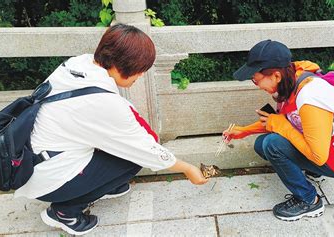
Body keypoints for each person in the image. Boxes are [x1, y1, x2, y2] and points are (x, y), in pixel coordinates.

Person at [13, 24, 208, 235]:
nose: (140, 76)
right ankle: (65, 212)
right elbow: (145, 149)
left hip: (31, 158)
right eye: (139, 70)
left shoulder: (78, 64)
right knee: (133, 159)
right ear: (119, 66)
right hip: (48, 175)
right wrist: (187, 169)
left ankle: (101, 185)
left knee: (126, 149)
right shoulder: (103, 103)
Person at [224, 40, 334, 221]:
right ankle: (314, 172)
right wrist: (244, 131)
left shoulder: (310, 96)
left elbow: (317, 155)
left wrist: (282, 127)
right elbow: (284, 119)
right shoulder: (292, 77)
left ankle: (309, 200)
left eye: (256, 80)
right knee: (262, 144)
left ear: (276, 76)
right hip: (329, 143)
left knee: (272, 145)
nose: (256, 85)